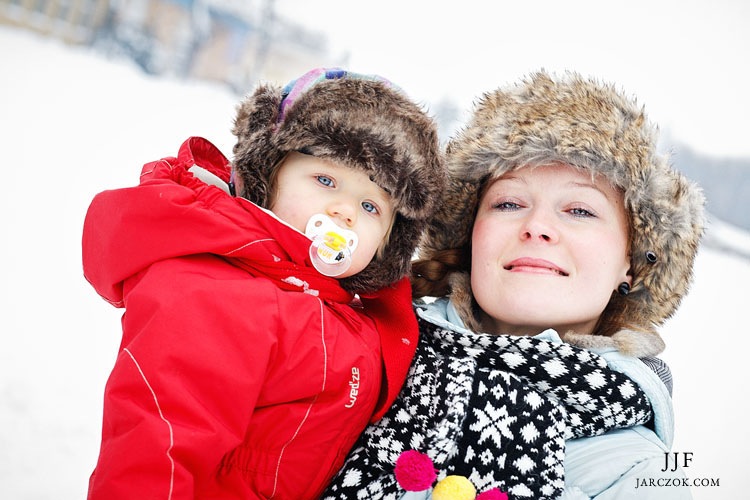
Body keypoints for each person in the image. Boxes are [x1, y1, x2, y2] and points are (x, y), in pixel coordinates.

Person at [323, 71, 704, 499]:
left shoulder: (636, 474)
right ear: (470, 237)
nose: (537, 226)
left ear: (631, 266)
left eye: (579, 210)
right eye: (508, 203)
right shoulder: (355, 351)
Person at [82, 67, 444, 499]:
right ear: (265, 179)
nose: (345, 211)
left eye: (371, 206)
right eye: (325, 180)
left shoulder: (348, 311)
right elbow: (158, 445)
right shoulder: (217, 292)